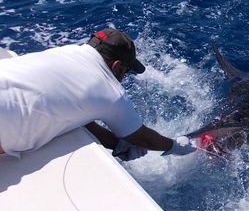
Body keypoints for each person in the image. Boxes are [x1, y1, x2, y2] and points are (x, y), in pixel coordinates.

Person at [0, 28, 196, 160]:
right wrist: (174, 146)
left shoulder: (65, 52)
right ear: (116, 66)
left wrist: (116, 143)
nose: (124, 77)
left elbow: (77, 115)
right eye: (126, 71)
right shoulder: (111, 91)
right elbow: (142, 138)